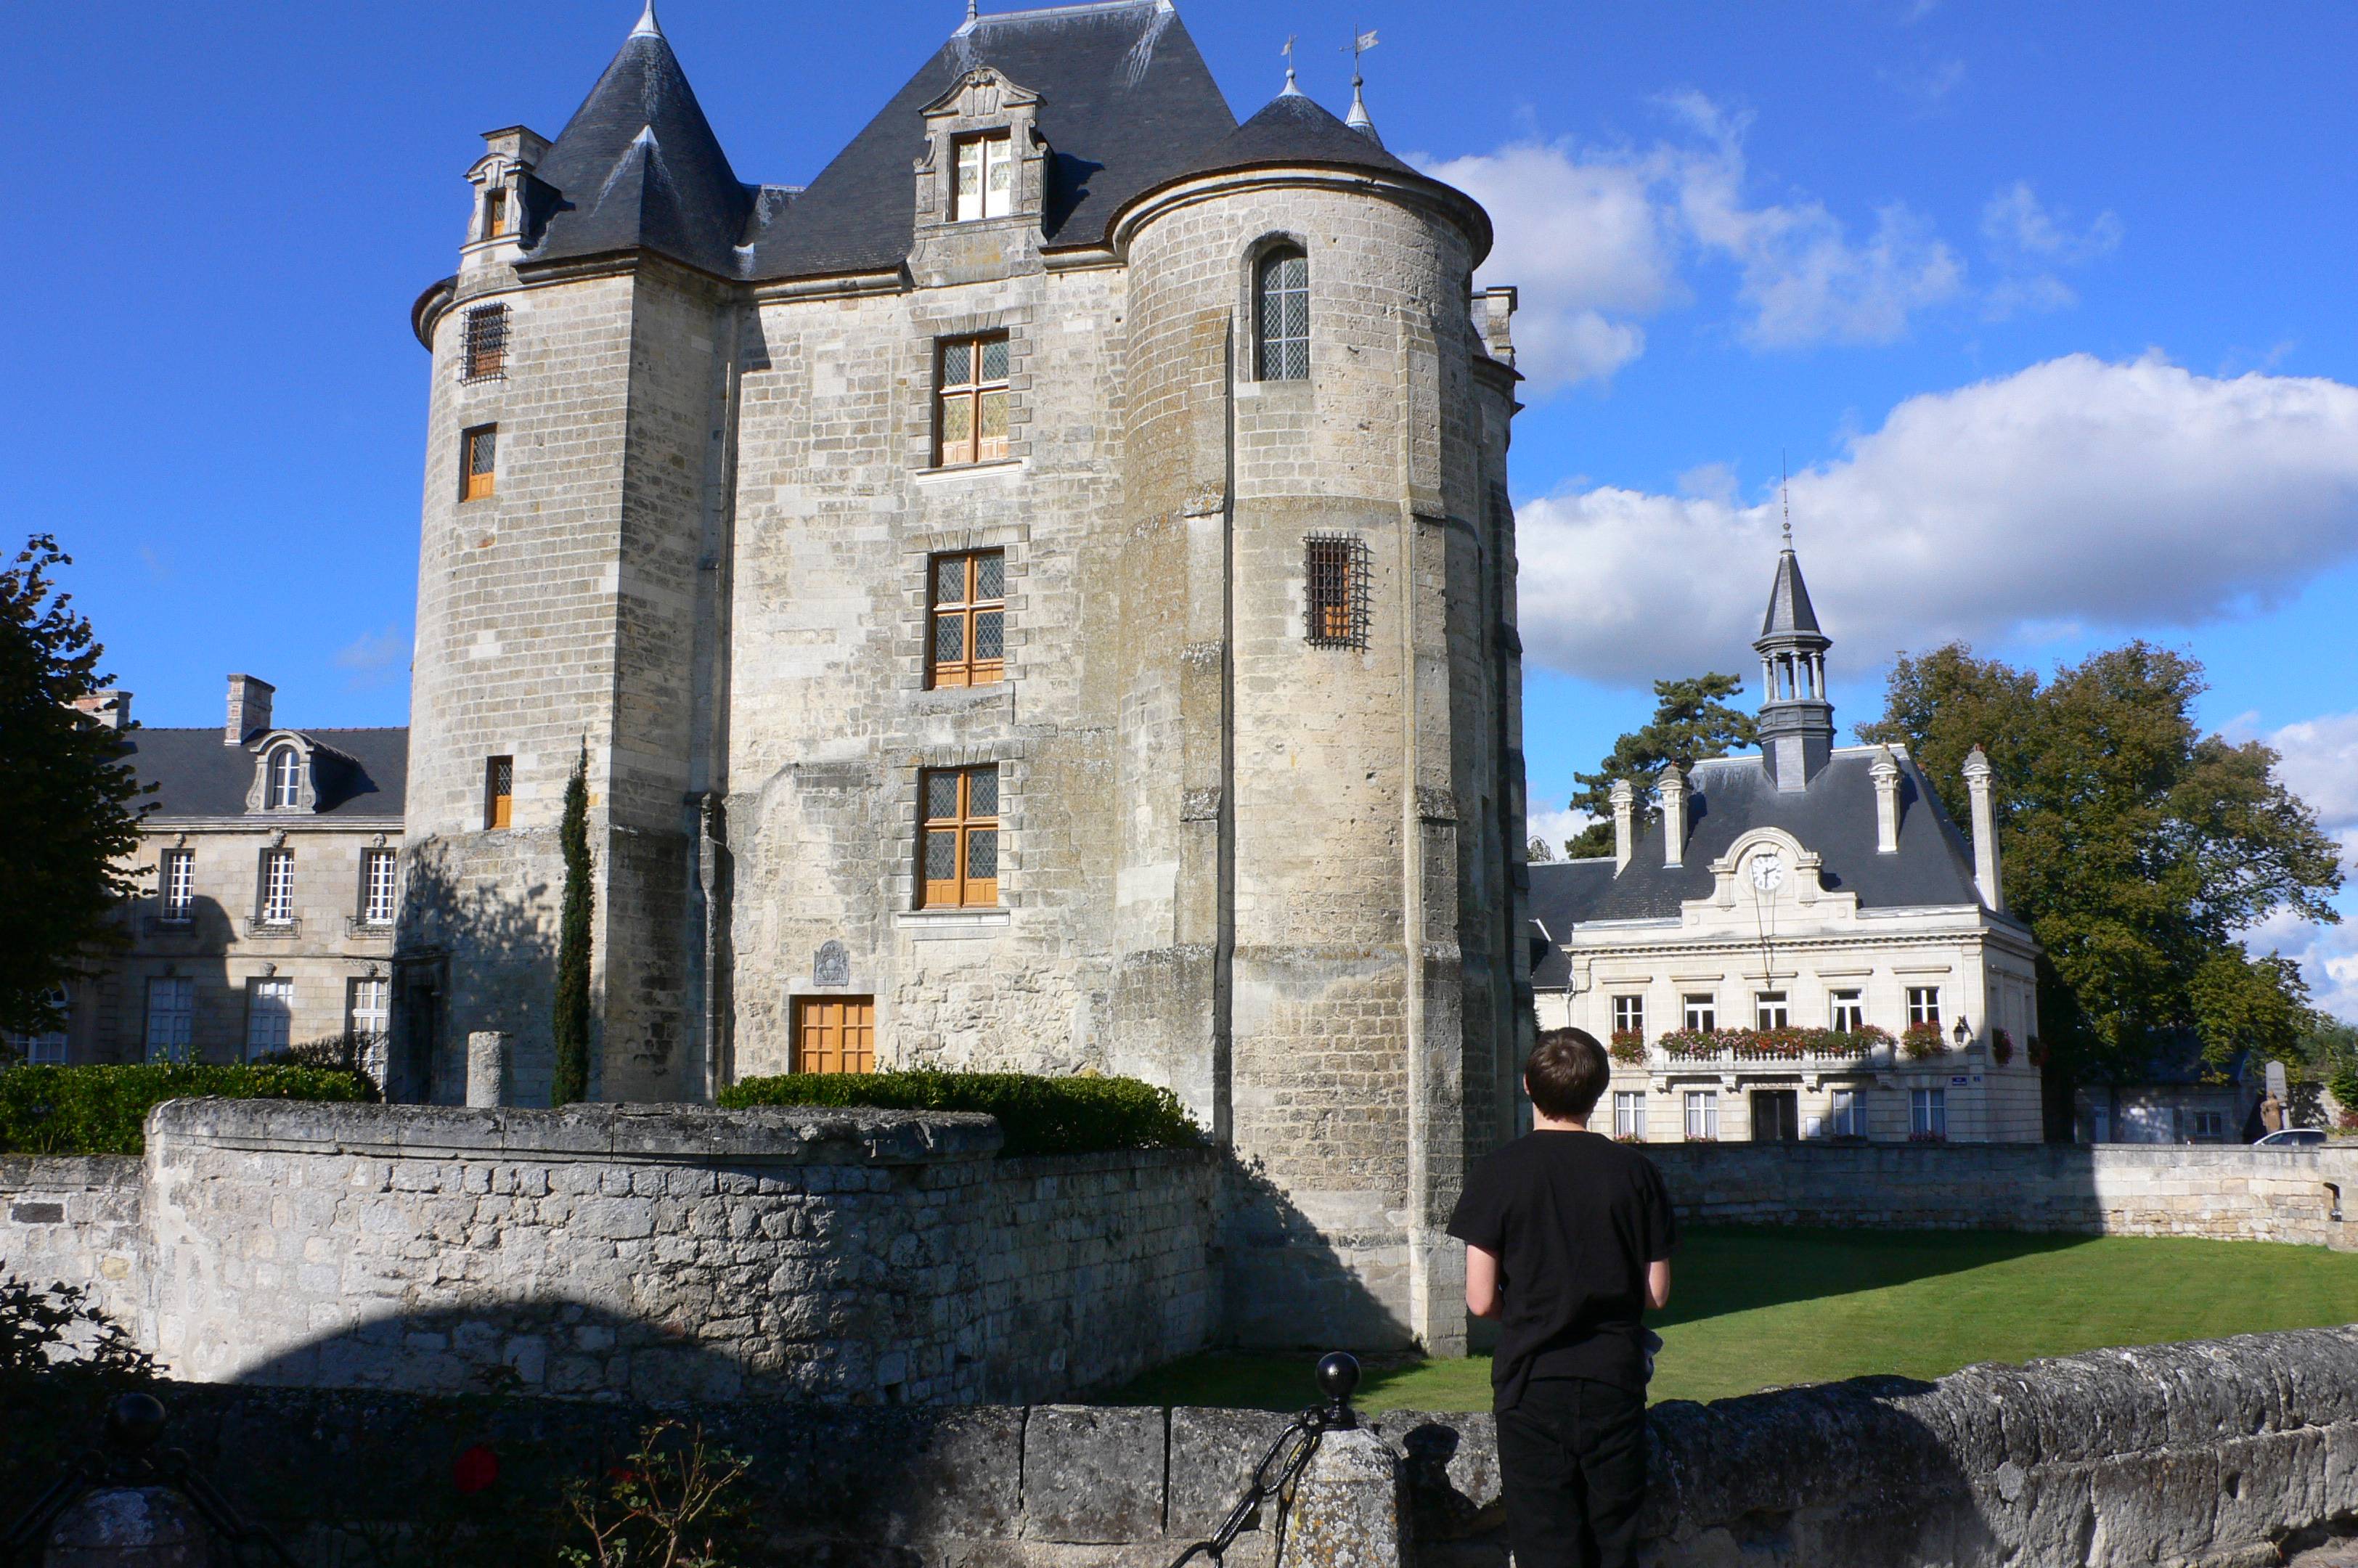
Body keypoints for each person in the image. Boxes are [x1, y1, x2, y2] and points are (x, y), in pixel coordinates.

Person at [1448, 1027, 1677, 1568]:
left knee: (1546, 1549)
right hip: (1613, 1380)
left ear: (1528, 1086)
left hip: (1533, 1383)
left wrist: (1532, 1309)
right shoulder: (1636, 1173)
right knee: (1614, 1548)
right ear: (1599, 1092)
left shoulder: (1499, 1172)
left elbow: (1480, 1301)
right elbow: (1657, 1293)